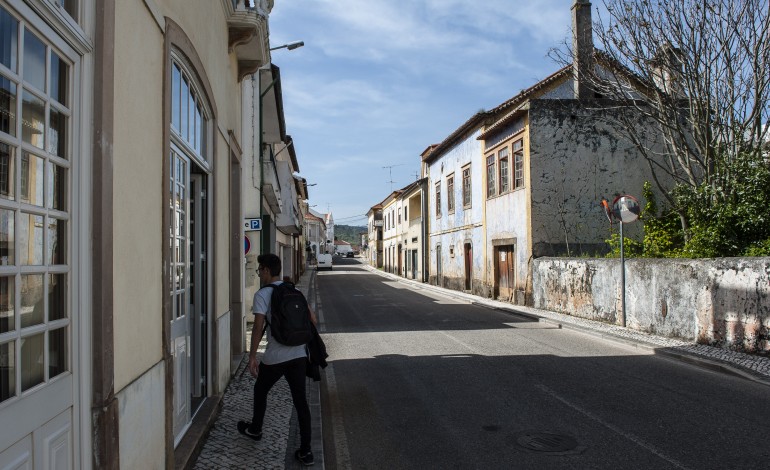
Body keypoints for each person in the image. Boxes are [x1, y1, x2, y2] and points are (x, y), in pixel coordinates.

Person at [238, 253, 317, 466]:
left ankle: (255, 429)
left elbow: (257, 328)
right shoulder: (295, 291)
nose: (259, 274)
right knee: (301, 402)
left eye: (259, 270)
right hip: (299, 355)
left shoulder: (263, 294)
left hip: (275, 357)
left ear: (265, 270)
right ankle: (306, 451)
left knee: (260, 390)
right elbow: (313, 320)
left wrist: (253, 356)